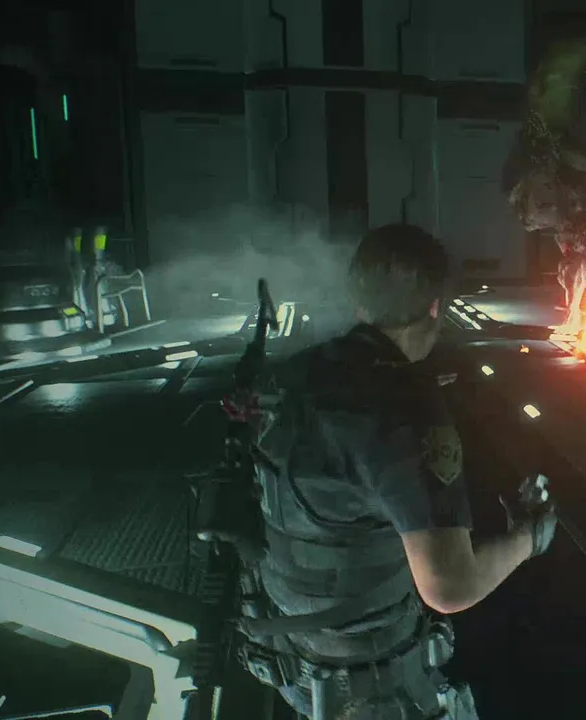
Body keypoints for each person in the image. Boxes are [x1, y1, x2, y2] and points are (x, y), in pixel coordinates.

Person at [239, 223, 558, 720]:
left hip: (296, 668)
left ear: (359, 300)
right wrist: (529, 537)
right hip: (374, 689)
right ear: (434, 308)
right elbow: (449, 587)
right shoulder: (407, 409)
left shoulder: (293, 372)